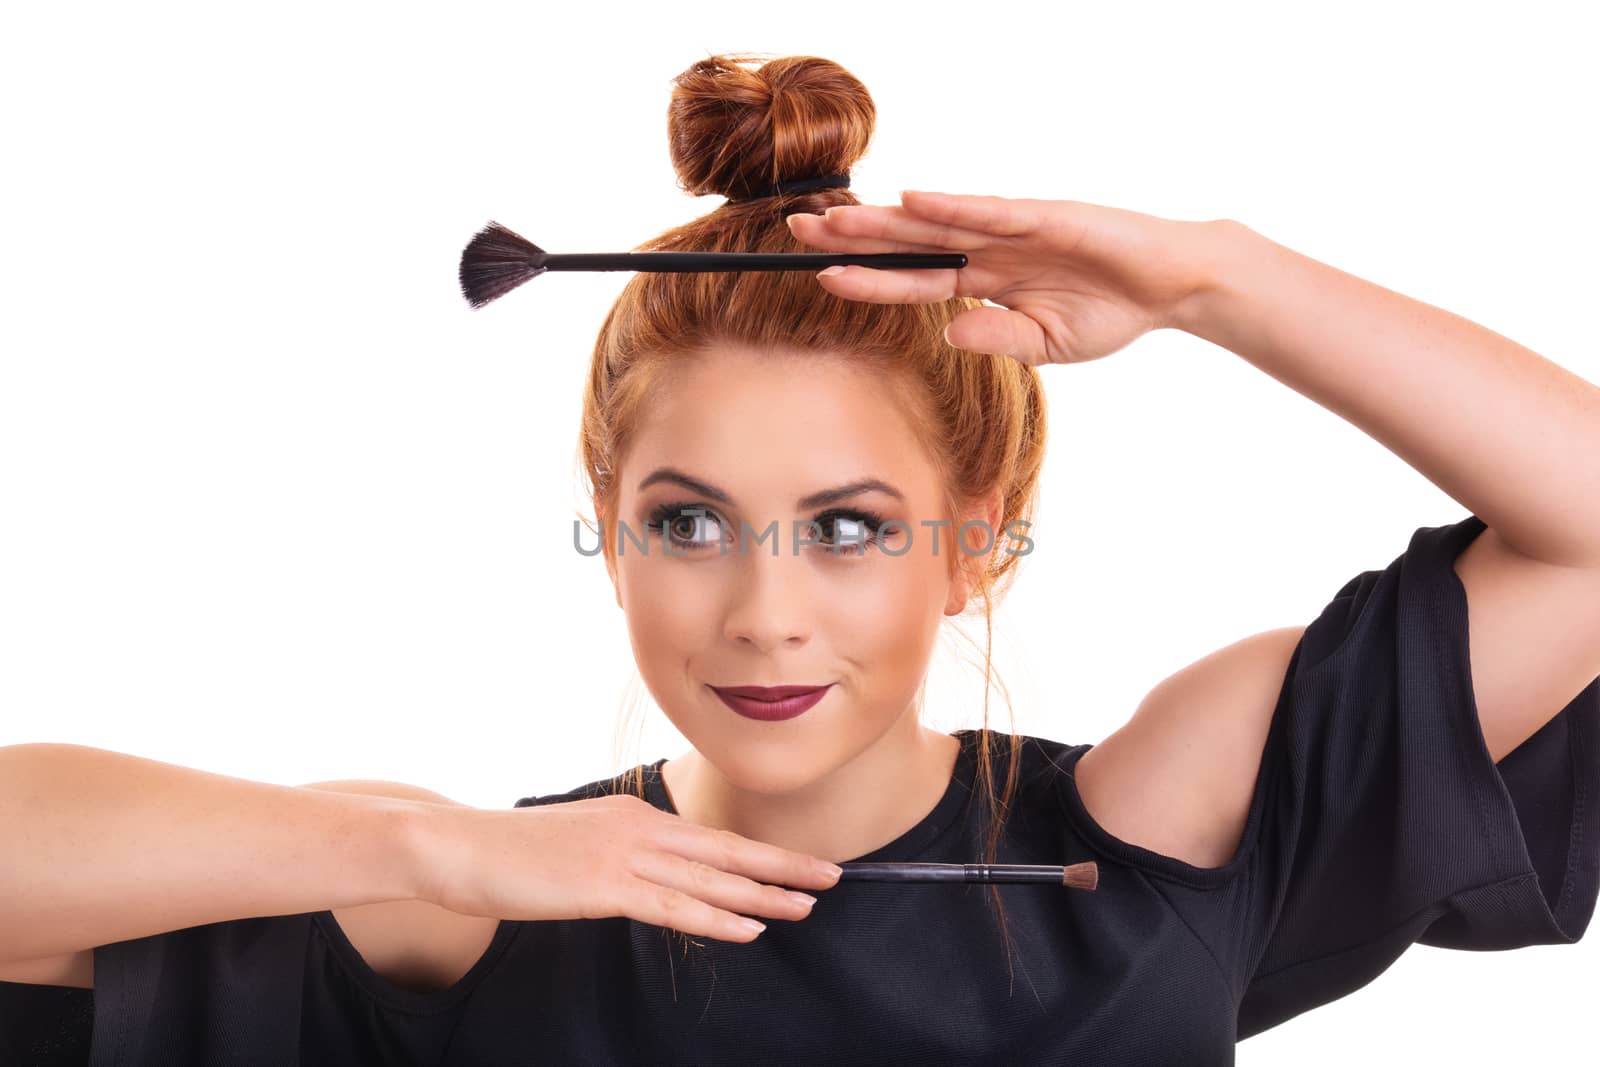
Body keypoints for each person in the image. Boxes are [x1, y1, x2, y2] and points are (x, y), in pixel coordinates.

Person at [2, 51, 1597, 1067]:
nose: (764, 618)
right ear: (610, 533)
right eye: (687, 524)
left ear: (975, 538)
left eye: (848, 529)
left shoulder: (1155, 837)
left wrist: (1216, 283)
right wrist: (426, 849)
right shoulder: (484, 899)